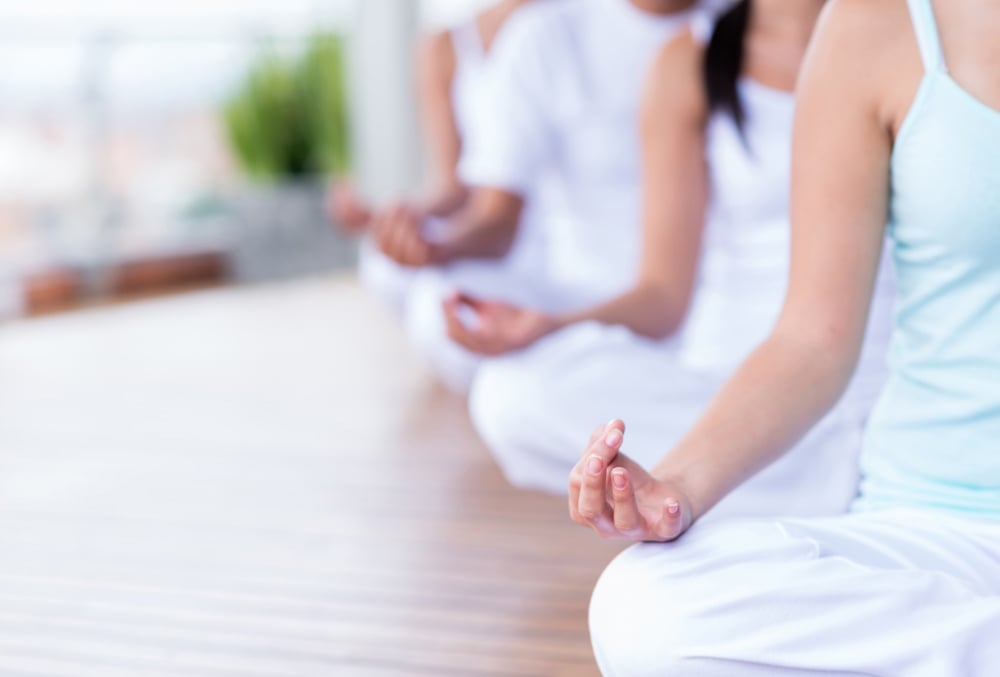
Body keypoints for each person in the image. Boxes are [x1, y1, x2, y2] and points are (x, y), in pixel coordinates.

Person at [570, 0, 1000, 673]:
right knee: (641, 607)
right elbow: (811, 340)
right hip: (931, 528)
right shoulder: (875, 25)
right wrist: (673, 487)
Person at [454, 0, 893, 519]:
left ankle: (764, 492)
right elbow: (663, 294)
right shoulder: (688, 60)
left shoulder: (905, 44)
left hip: (873, 388)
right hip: (727, 393)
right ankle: (790, 487)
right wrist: (551, 324)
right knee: (511, 395)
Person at [329, 0, 548, 391]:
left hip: (529, 237)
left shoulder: (552, 32)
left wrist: (438, 244)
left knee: (433, 308)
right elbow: (454, 185)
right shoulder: (444, 46)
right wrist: (392, 217)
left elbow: (501, 216)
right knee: (386, 266)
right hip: (489, 227)